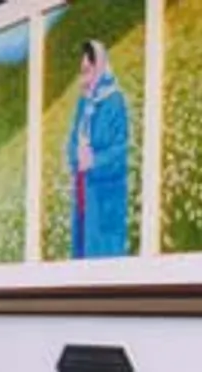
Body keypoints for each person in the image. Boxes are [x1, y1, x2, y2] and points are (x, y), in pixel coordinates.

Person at [67, 38, 130, 259]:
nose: (84, 78)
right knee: (82, 251)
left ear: (100, 68)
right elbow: (72, 141)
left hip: (105, 195)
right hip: (83, 190)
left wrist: (94, 161)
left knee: (104, 254)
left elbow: (121, 151)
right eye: (82, 72)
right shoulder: (83, 103)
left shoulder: (115, 101)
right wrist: (76, 155)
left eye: (88, 71)